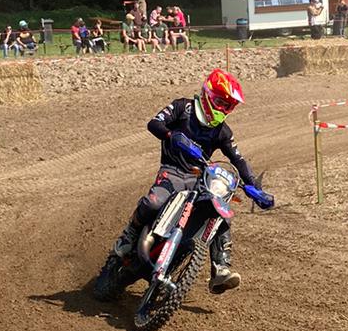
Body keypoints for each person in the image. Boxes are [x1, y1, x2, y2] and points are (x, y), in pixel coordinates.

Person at [99, 69, 274, 297]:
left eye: (229, 106)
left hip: (199, 179)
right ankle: (129, 236)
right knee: (153, 202)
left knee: (221, 212)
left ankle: (221, 267)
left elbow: (238, 159)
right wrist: (170, 136)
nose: (223, 109)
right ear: (209, 95)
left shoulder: (222, 131)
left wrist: (255, 189)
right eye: (221, 103)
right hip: (172, 171)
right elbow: (154, 123)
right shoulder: (183, 108)